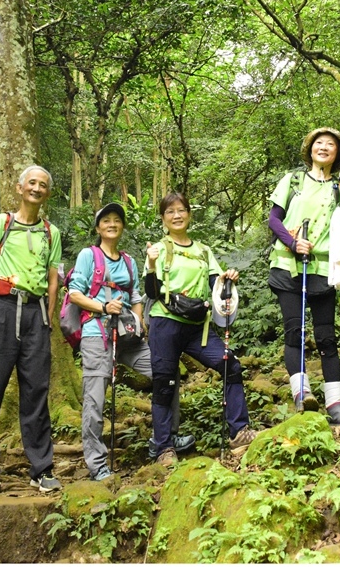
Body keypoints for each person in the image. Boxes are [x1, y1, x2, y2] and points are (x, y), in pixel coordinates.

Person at [67, 202, 195, 482]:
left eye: (117, 220)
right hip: (97, 334)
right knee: (94, 398)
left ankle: (165, 438)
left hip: (127, 336)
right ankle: (96, 462)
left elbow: (136, 297)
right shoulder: (89, 256)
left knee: (167, 370)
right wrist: (103, 308)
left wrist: (138, 321)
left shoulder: (127, 260)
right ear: (98, 227)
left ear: (122, 226)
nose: (112, 224)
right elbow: (75, 293)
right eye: (106, 220)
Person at [0, 165, 63, 492]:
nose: (36, 188)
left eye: (43, 185)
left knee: (36, 390)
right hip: (2, 310)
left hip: (35, 313)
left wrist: (49, 315)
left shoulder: (52, 232)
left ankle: (42, 468)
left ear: (47, 193)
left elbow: (53, 278)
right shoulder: (0, 223)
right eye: (31, 183)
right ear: (20, 187)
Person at [144, 193, 257, 466]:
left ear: (189, 214)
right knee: (164, 383)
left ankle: (239, 431)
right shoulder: (158, 249)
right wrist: (149, 264)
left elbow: (215, 282)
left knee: (231, 364)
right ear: (163, 219)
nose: (177, 215)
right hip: (165, 323)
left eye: (181, 210)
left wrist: (227, 278)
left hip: (198, 328)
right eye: (170, 212)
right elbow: (151, 291)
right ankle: (163, 448)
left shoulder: (203, 251)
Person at [268, 128, 340, 426]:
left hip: (324, 269)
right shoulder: (293, 180)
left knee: (326, 337)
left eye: (330, 145)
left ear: (337, 154)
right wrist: (293, 242)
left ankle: (336, 405)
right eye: (318, 143)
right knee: (295, 331)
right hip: (288, 266)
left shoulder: (337, 186)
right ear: (310, 149)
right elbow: (274, 218)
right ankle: (302, 396)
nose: (323, 147)